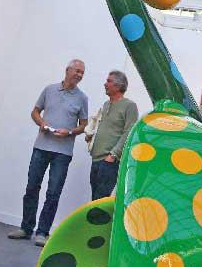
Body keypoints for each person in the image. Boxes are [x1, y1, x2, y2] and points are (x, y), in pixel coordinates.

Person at [8, 59, 89, 246]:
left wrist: (69, 132)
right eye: (77, 71)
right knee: (31, 187)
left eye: (82, 73)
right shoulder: (49, 90)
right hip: (41, 147)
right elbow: (35, 112)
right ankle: (26, 228)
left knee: (53, 193)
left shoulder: (82, 98)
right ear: (67, 70)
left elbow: (84, 125)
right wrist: (41, 123)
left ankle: (43, 232)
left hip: (63, 153)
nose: (79, 75)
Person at [85, 70, 138, 199]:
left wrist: (113, 155)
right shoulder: (106, 104)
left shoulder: (130, 106)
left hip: (109, 162)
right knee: (94, 200)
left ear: (119, 86)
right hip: (96, 160)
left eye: (109, 81)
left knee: (101, 201)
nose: (105, 84)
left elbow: (129, 132)